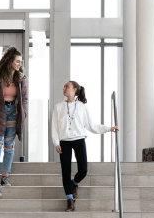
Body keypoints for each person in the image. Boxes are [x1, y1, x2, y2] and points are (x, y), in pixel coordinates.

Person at [51, 81, 118, 212]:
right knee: (66, 171)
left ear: (75, 89)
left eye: (67, 86)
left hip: (79, 140)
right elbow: (54, 126)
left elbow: (92, 126)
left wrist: (108, 128)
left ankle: (74, 184)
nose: (64, 88)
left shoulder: (82, 106)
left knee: (83, 169)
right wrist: (56, 142)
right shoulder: (58, 107)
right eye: (64, 86)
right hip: (64, 141)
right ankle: (70, 200)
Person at [0, 47, 28, 198]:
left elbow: (25, 99)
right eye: (17, 61)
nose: (19, 64)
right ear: (9, 61)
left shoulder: (21, 78)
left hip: (13, 114)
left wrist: (24, 112)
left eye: (20, 62)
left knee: (9, 148)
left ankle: (5, 176)